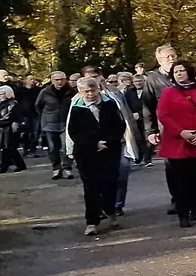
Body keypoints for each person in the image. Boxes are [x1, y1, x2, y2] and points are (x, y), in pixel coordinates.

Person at [156, 61, 196, 228]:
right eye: (176, 71)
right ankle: (183, 213)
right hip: (177, 142)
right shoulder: (168, 92)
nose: (179, 74)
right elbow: (163, 115)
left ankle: (192, 205)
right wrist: (181, 132)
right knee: (180, 179)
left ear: (189, 72)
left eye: (182, 70)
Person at [64, 78, 125, 236]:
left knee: (110, 182)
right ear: (80, 92)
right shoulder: (77, 108)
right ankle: (91, 221)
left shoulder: (109, 104)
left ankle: (109, 210)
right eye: (86, 92)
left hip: (109, 149)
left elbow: (119, 126)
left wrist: (108, 141)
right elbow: (73, 132)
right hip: (86, 152)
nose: (90, 94)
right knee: (91, 187)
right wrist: (93, 144)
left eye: (93, 91)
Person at [103, 75, 142, 215]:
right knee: (100, 177)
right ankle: (103, 205)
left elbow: (127, 116)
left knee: (122, 173)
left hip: (121, 141)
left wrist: (136, 139)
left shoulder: (115, 94)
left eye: (97, 77)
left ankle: (118, 204)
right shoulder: (79, 98)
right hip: (96, 143)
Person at [139, 44, 177, 161]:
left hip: (188, 125)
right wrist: (151, 131)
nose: (171, 59)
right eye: (168, 57)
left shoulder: (184, 75)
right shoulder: (152, 79)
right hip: (166, 127)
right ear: (160, 61)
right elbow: (148, 106)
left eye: (173, 56)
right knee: (172, 161)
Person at [34, 72, 74, 180]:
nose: (59, 82)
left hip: (66, 123)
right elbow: (38, 106)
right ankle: (56, 168)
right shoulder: (45, 92)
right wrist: (46, 117)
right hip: (50, 123)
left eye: (61, 79)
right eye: (56, 80)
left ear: (65, 80)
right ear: (52, 81)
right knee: (52, 147)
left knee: (67, 146)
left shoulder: (71, 92)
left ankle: (66, 167)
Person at [0, 85, 26, 173]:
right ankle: (20, 165)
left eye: (2, 94)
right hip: (0, 129)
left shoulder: (13, 104)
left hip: (9, 129)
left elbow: (10, 116)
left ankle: (4, 167)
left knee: (7, 148)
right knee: (9, 149)